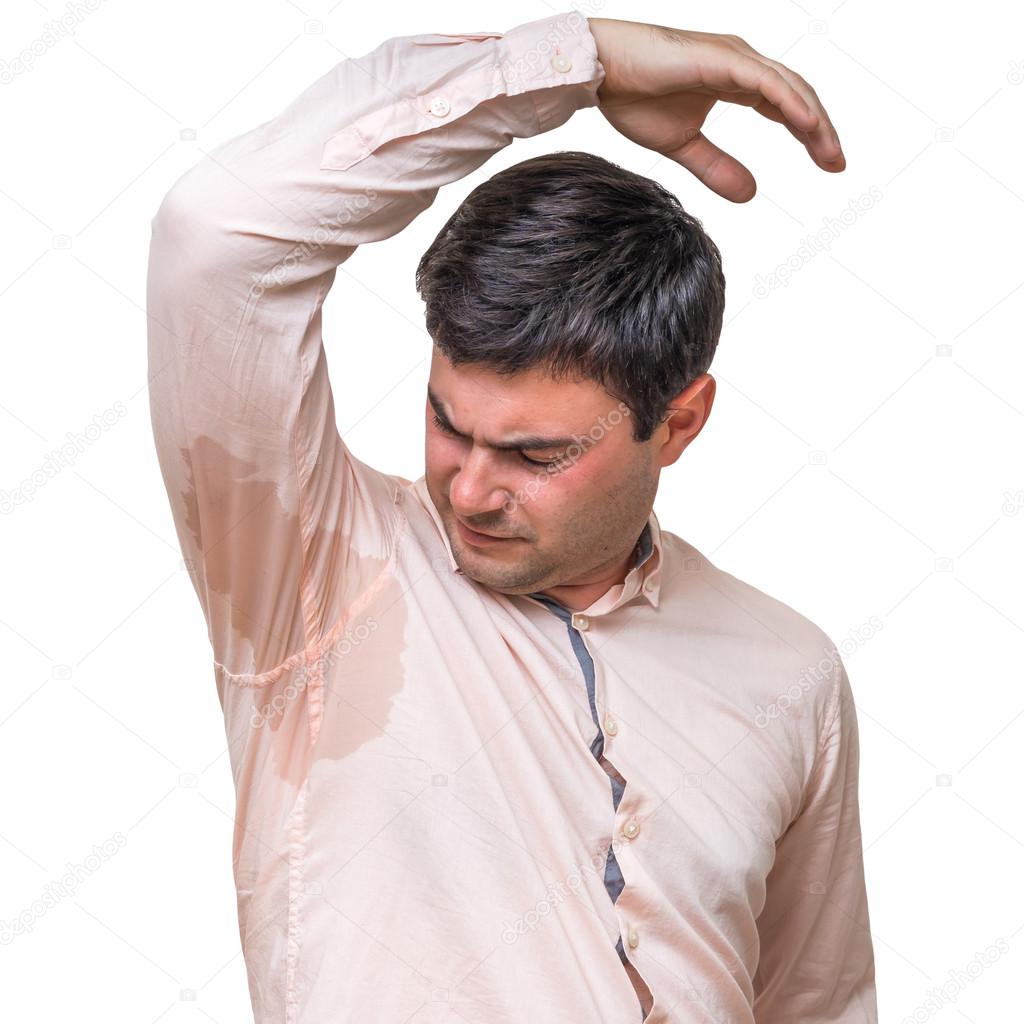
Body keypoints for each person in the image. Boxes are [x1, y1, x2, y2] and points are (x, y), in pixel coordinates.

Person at [146, 9, 876, 1022]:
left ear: (678, 424)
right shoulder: (313, 571)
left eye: (537, 455)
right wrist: (576, 64)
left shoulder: (788, 672)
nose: (471, 489)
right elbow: (215, 235)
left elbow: (816, 1002)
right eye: (448, 425)